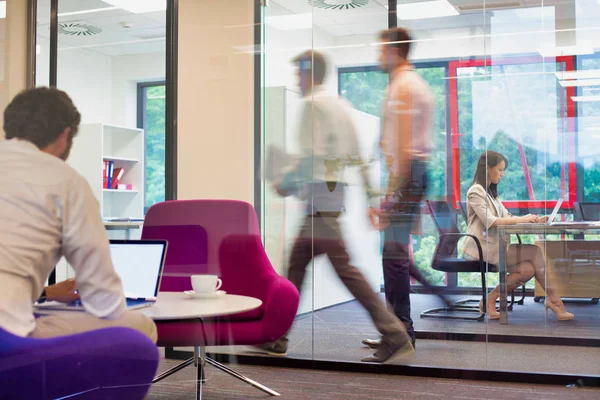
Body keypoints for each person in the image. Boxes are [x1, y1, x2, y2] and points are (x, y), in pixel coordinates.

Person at [260, 50, 414, 364]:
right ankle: (278, 336)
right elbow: (359, 156)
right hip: (333, 196)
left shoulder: (313, 106)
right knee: (297, 269)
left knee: (343, 271)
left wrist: (286, 182)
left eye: (297, 74)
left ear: (307, 73)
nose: (296, 80)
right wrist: (371, 198)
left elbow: (311, 156)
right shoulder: (341, 106)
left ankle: (395, 334)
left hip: (320, 197)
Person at [0, 87, 157, 341]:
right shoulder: (67, 182)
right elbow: (103, 298)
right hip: (8, 338)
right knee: (139, 326)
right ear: (65, 135)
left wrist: (46, 295)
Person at [363, 27, 436, 350]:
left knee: (393, 257)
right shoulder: (404, 85)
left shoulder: (405, 87)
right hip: (409, 174)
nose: (378, 57)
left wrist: (390, 196)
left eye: (381, 51)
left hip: (408, 174)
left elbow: (405, 149)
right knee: (393, 254)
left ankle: (400, 331)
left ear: (394, 51)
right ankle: (396, 329)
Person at [463, 151, 574, 320]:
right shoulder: (475, 191)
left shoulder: (491, 194)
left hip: (495, 247)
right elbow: (490, 221)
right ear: (487, 168)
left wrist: (533, 220)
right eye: (499, 169)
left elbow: (506, 216)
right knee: (535, 252)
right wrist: (524, 218)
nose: (502, 174)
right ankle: (555, 301)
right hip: (481, 248)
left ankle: (490, 299)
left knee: (528, 269)